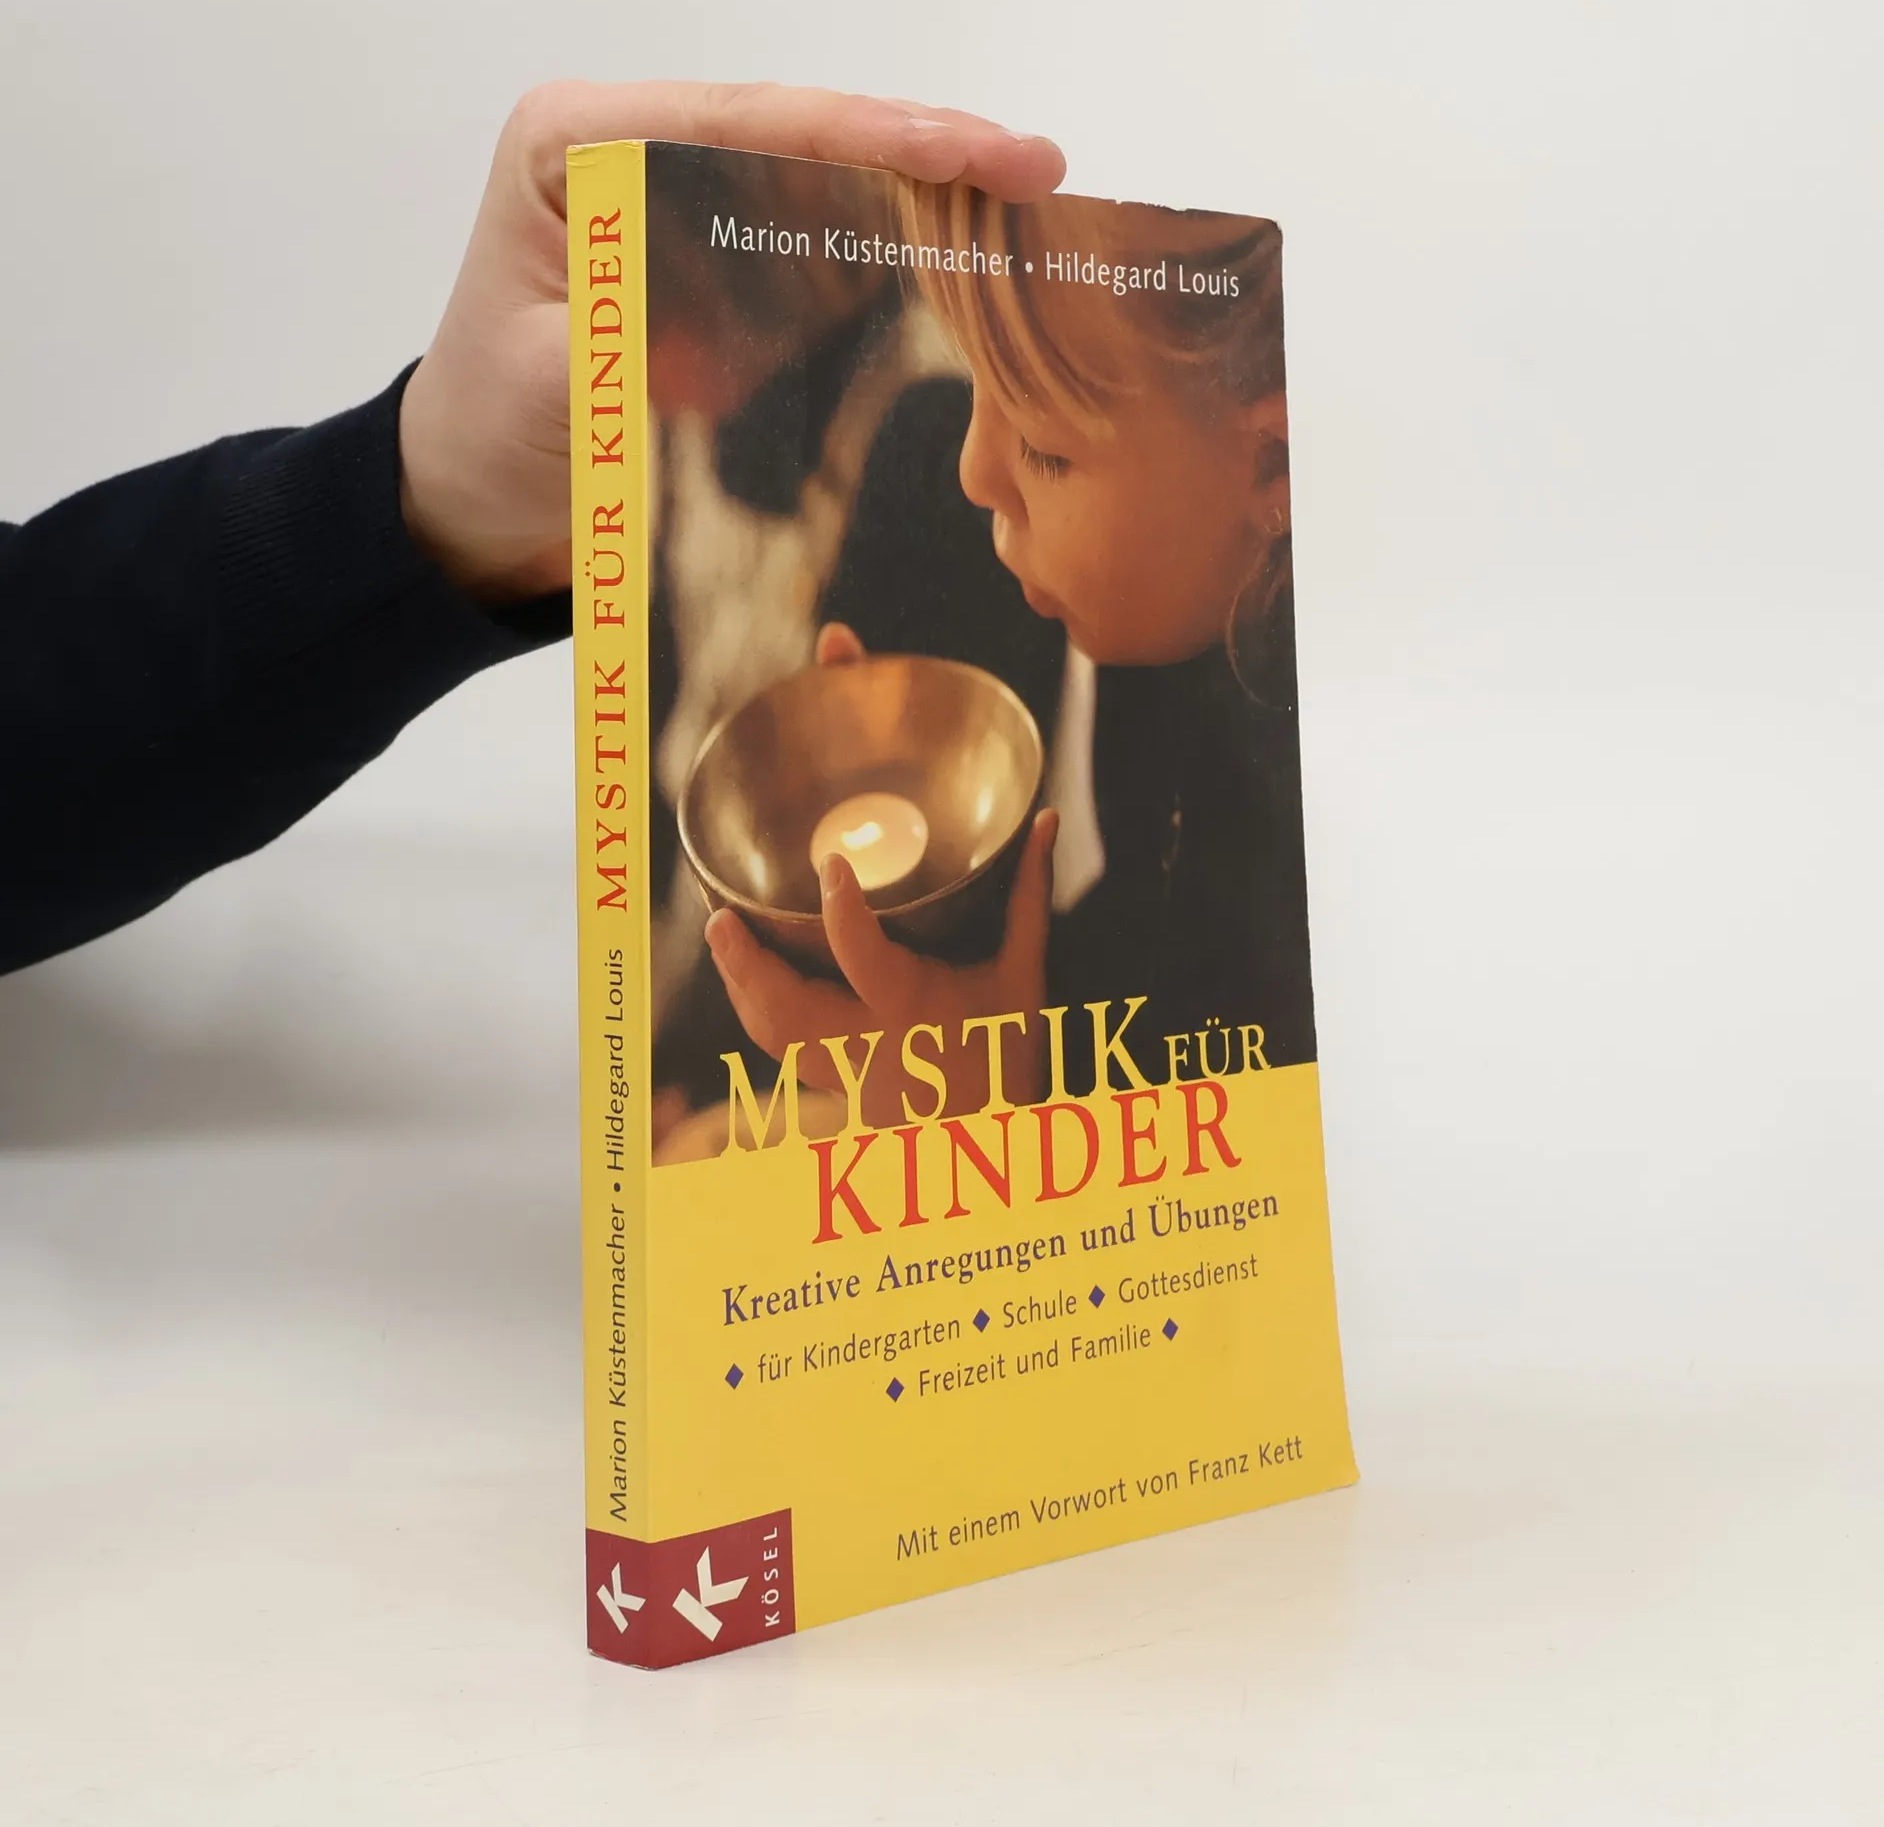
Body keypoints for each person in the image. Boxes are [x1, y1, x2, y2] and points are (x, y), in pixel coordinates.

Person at [0, 82, 1066, 975]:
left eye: (653, 319)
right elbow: (656, 705)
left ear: (720, 284)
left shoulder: (916, 429)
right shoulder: (681, 443)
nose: (627, 379)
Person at [694, 177, 1313, 1135]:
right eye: (974, 373)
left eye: (1041, 444)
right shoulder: (1163, 629)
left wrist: (1001, 1100)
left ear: (1273, 463)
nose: (974, 472)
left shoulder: (1292, 860)